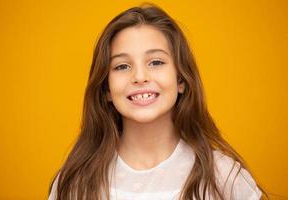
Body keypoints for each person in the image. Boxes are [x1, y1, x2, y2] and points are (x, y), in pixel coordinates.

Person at [48, 3, 268, 200]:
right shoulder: (75, 183)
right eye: (122, 66)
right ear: (106, 88)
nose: (140, 76)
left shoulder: (224, 178)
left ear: (180, 79)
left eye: (156, 62)